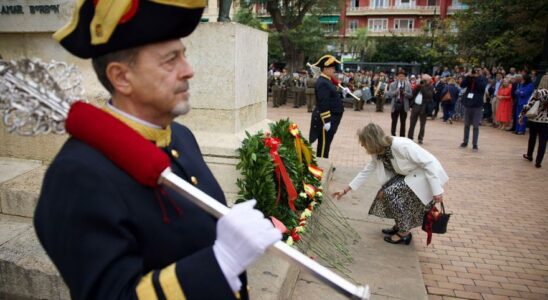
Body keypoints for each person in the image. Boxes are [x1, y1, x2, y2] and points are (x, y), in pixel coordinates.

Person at [34, 2, 281, 299]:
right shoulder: (76, 175)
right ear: (121, 77)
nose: (188, 71)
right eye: (170, 61)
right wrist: (220, 262)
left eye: (184, 56)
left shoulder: (181, 136)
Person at [332, 123, 448, 245]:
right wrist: (346, 190)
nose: (362, 145)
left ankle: (404, 233)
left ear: (372, 141)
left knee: (390, 193)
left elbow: (428, 163)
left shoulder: (401, 145)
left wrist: (436, 190)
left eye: (364, 142)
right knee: (384, 193)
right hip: (409, 176)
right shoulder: (377, 151)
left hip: (424, 175)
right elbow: (367, 170)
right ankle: (400, 225)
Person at [308, 55, 344, 158]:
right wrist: (327, 121)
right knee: (324, 144)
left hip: (333, 117)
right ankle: (322, 165)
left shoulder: (327, 80)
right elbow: (323, 103)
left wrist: (343, 91)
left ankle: (324, 162)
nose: (334, 70)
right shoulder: (323, 82)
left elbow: (331, 95)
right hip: (327, 119)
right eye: (332, 68)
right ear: (325, 69)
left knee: (326, 143)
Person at [520, 87, 548, 168]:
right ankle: (538, 161)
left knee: (532, 138)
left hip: (534, 119)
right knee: (543, 141)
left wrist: (521, 115)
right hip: (546, 121)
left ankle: (529, 155)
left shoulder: (539, 92)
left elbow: (529, 104)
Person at [460, 69, 487, 151]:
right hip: (468, 104)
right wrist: (468, 76)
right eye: (474, 71)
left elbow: (481, 87)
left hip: (477, 105)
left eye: (477, 71)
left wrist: (477, 77)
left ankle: (475, 144)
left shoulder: (483, 79)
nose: (475, 72)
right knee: (466, 125)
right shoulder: (469, 78)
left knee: (475, 126)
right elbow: (462, 85)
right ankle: (465, 141)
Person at [408, 74, 434, 144]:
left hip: (424, 107)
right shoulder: (419, 86)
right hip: (416, 106)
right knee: (412, 123)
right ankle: (410, 137)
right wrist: (419, 85)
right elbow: (413, 94)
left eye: (425, 80)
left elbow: (429, 95)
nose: (424, 81)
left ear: (429, 80)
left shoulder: (430, 87)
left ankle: (420, 138)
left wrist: (424, 86)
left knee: (422, 124)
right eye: (423, 79)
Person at [386, 70, 412, 137]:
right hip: (395, 105)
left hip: (404, 105)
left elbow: (411, 95)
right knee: (394, 121)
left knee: (403, 122)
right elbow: (389, 94)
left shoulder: (408, 84)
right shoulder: (392, 84)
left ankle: (402, 136)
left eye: (403, 76)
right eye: (399, 76)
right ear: (397, 77)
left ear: (405, 77)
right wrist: (396, 92)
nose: (401, 77)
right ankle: (393, 134)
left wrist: (405, 93)